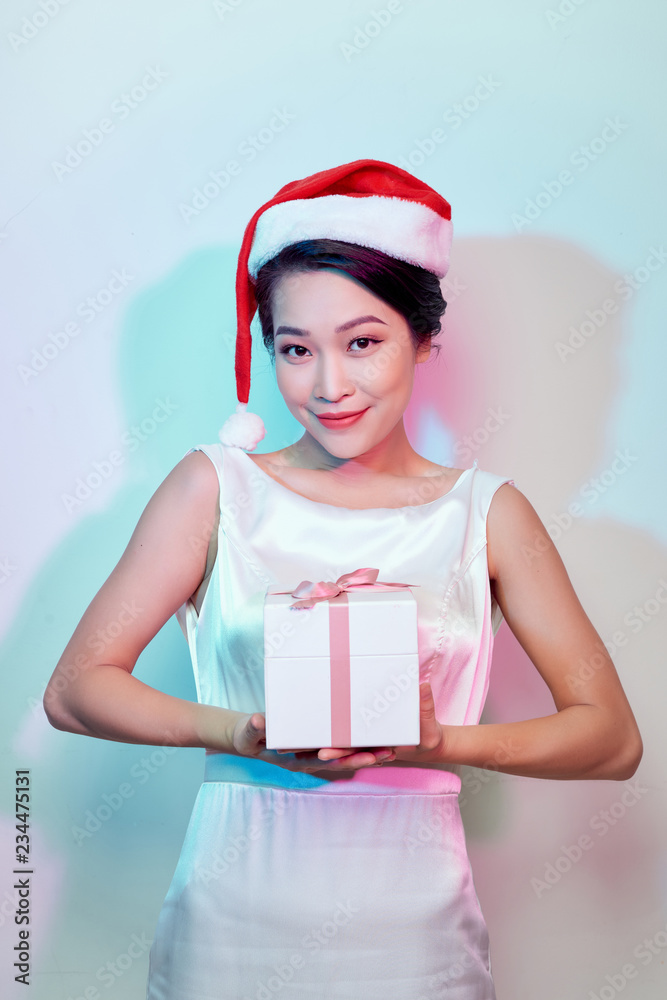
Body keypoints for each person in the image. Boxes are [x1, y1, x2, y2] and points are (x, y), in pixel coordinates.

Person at [44, 160, 643, 1000]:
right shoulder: (215, 489)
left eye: (362, 343)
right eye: (295, 350)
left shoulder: (487, 515)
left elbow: (610, 740)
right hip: (234, 924)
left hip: (414, 942)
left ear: (425, 338)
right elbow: (75, 691)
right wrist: (240, 733)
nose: (327, 387)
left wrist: (442, 745)